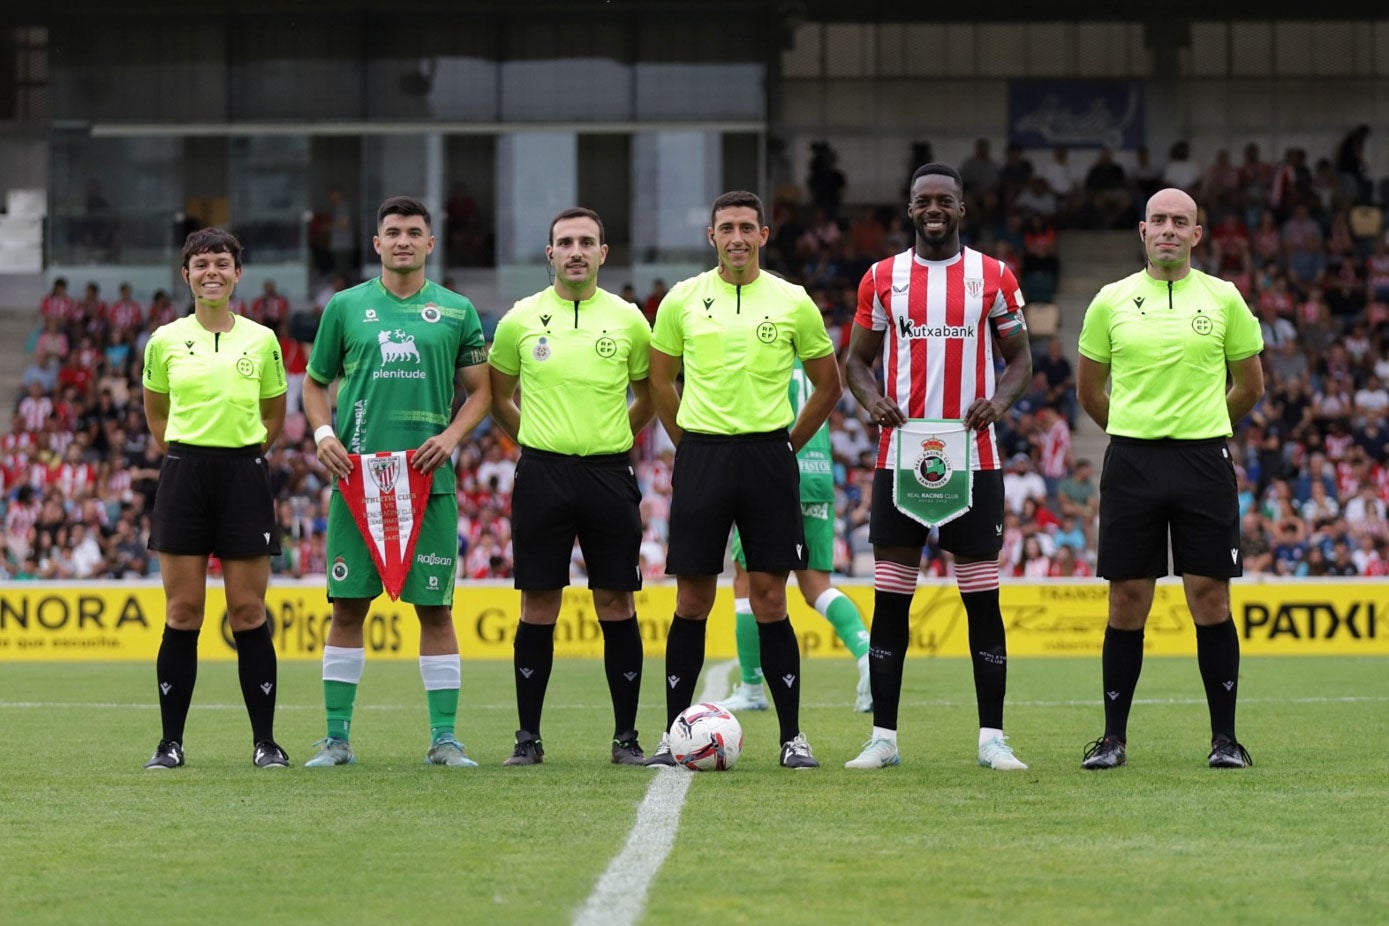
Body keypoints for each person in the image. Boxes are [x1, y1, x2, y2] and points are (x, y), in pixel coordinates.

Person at [843, 163, 1033, 772]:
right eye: (923, 200)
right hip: (900, 459)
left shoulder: (994, 277)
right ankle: (883, 738)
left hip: (973, 460)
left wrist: (999, 403)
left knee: (982, 600)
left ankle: (992, 739)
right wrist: (872, 401)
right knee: (892, 601)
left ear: (961, 208)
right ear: (909, 210)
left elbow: (1021, 357)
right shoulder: (882, 278)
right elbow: (856, 362)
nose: (934, 209)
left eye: (944, 200)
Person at [646, 190, 842, 769]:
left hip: (766, 458)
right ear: (712, 236)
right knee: (693, 598)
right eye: (726, 227)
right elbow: (661, 382)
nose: (736, 237)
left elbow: (828, 386)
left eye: (746, 227)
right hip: (702, 456)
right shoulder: (682, 299)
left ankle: (792, 739)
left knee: (769, 598)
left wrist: (786, 445)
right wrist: (688, 444)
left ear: (764, 235)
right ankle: (670, 734)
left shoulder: (792, 301)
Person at [1075, 187, 1265, 771]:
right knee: (1127, 600)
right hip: (1132, 462)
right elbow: (1090, 390)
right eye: (1159, 220)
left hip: (1203, 461)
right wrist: (1135, 431)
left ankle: (1226, 741)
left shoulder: (1225, 298)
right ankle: (1112, 740)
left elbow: (1250, 385)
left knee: (1209, 597)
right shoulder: (1109, 301)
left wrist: (1204, 427)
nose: (1168, 230)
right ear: (1142, 230)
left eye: (1180, 222)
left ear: (1196, 235)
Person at [301, 195, 491, 768]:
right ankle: (336, 739)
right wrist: (324, 436)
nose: (403, 240)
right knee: (347, 609)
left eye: (414, 232)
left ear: (430, 244)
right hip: (357, 479)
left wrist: (452, 437)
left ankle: (445, 739)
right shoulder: (345, 307)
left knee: (435, 611)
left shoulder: (457, 310)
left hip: (427, 481)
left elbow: (482, 391)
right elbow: (314, 384)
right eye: (393, 232)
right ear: (377, 244)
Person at [487, 207, 654, 766]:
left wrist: (614, 437)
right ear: (550, 253)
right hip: (543, 474)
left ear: (604, 253)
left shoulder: (631, 320)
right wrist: (533, 439)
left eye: (587, 241)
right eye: (565, 242)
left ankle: (625, 738)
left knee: (615, 600)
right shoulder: (520, 319)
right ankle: (527, 739)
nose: (576, 250)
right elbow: (498, 395)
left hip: (609, 473)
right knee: (539, 603)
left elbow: (649, 395)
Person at [140, 228, 289, 770]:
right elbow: (155, 410)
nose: (212, 273)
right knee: (183, 612)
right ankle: (170, 743)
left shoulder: (262, 339)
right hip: (184, 474)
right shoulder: (164, 340)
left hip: (243, 475)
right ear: (186, 275)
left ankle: (265, 743)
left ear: (237, 273)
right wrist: (184, 453)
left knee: (248, 612)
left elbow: (274, 413)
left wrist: (241, 454)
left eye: (221, 264)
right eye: (201, 264)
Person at [717, 358, 873, 715]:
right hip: (817, 475)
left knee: (745, 579)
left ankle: (752, 688)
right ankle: (867, 654)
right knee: (817, 585)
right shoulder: (812, 357)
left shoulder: (760, 351)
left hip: (772, 474)